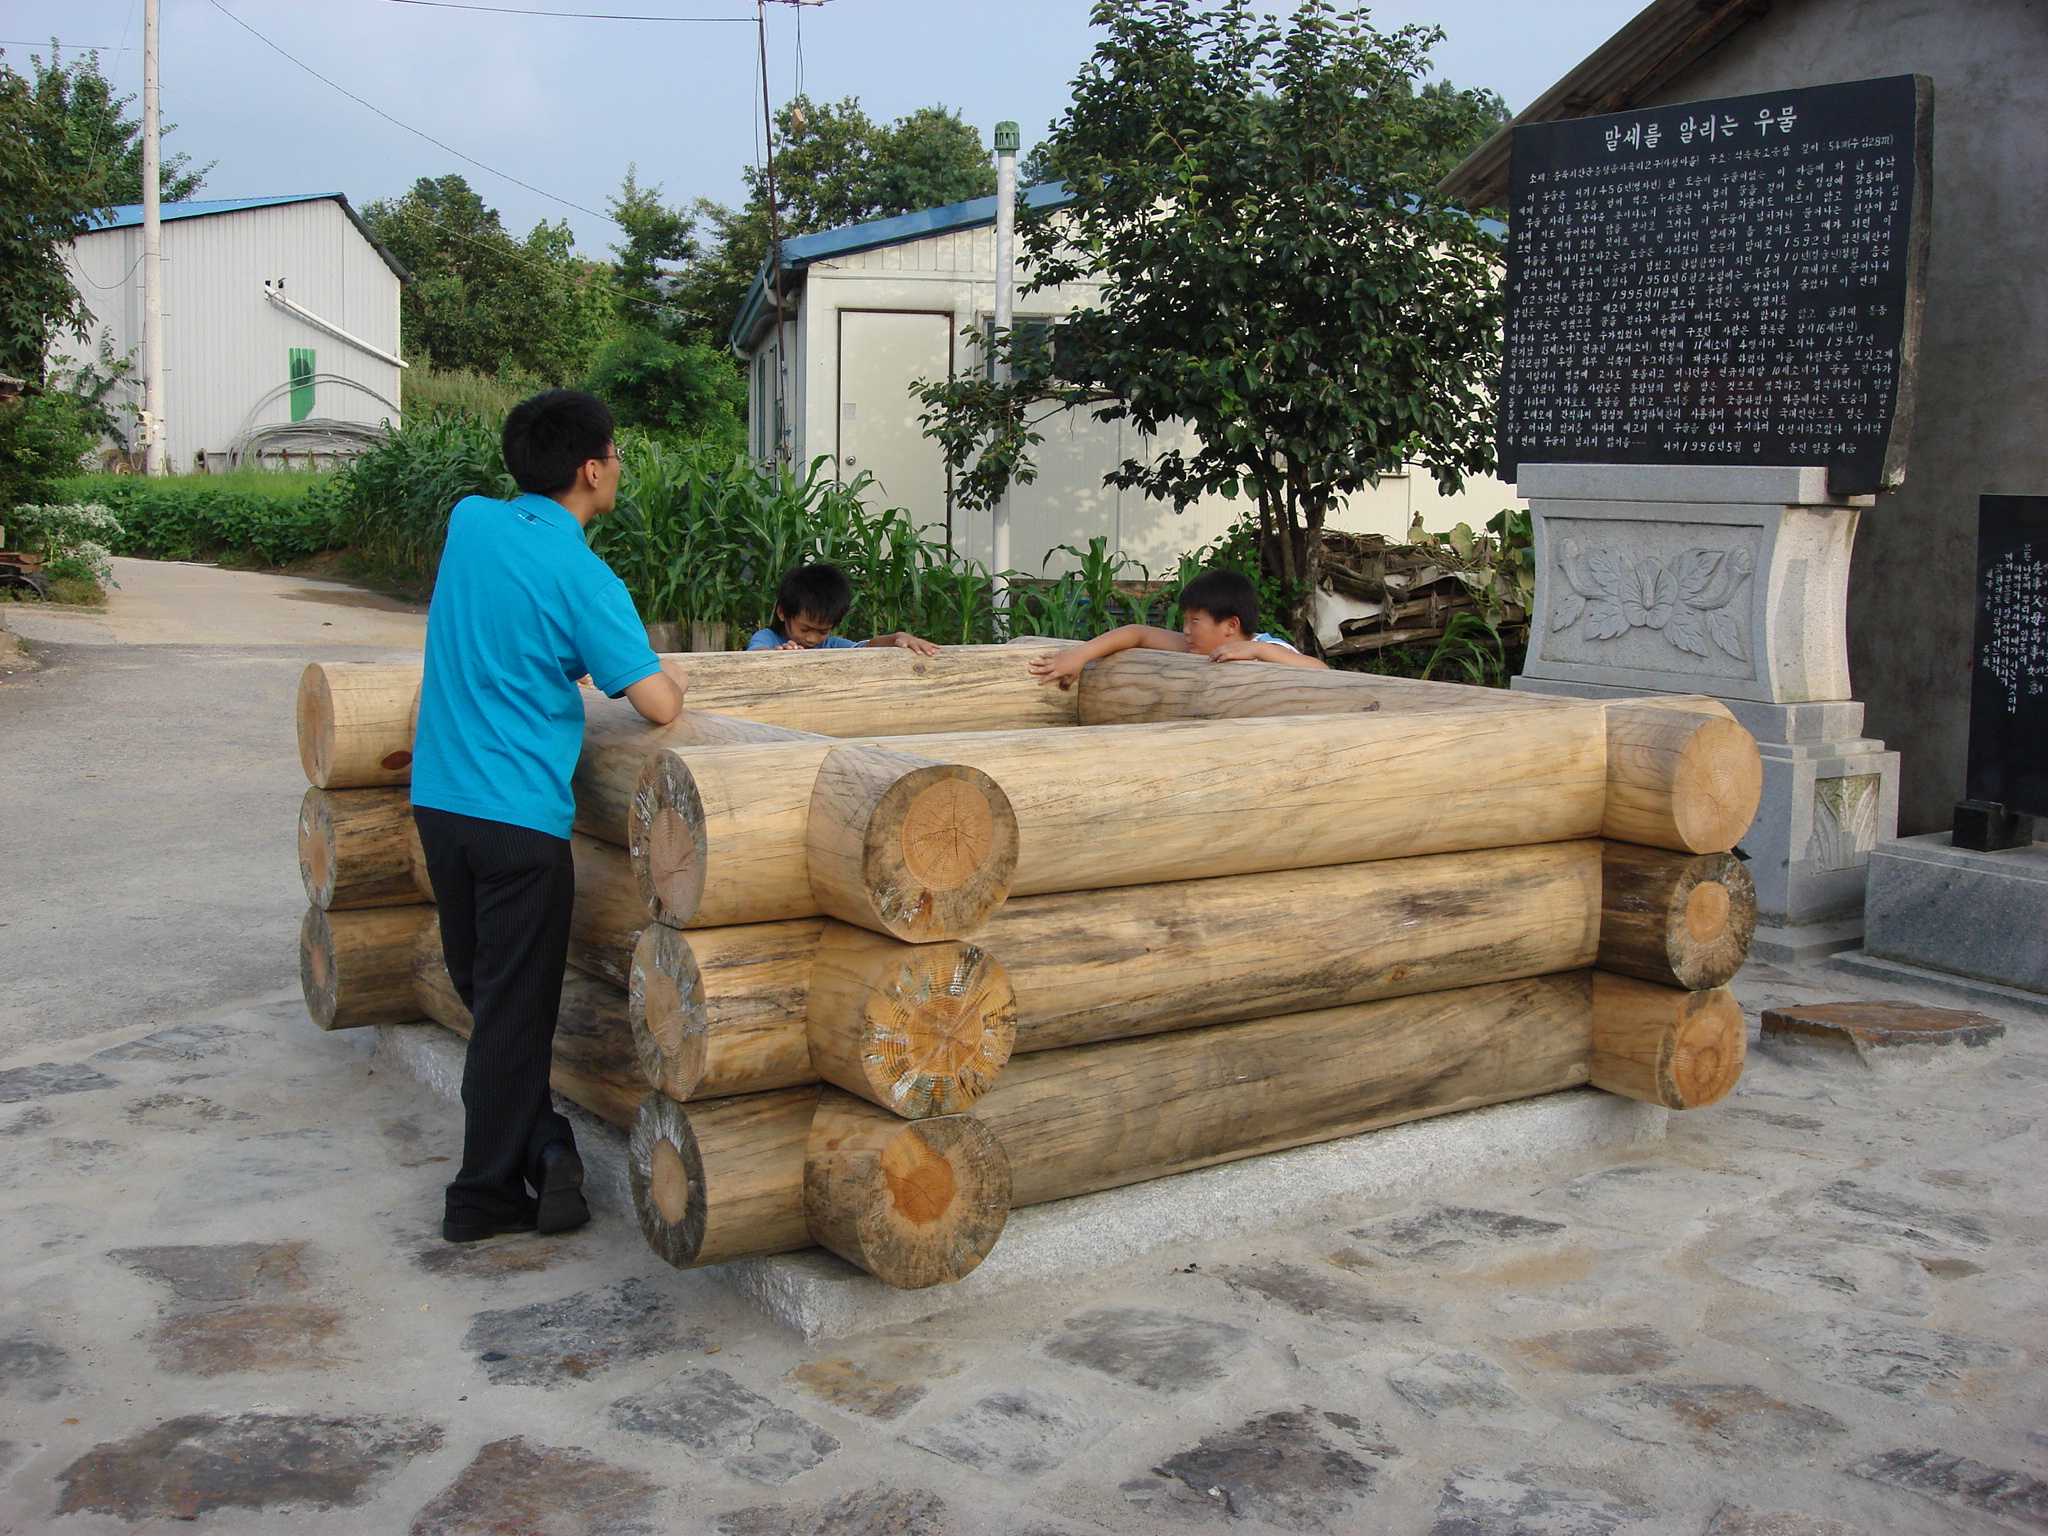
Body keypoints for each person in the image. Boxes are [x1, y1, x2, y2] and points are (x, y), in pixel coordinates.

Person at [409, 390, 686, 1244]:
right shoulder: (585, 578)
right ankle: (484, 1197)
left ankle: (549, 1148)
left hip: (441, 804)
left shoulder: (470, 523)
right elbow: (656, 702)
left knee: (487, 996)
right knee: (514, 1019)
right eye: (615, 453)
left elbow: (509, 623)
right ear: (590, 468)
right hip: (520, 825)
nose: (618, 465)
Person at [1029, 567, 1326, 688]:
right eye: (1185, 619)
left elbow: (1321, 673)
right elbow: (1137, 632)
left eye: (1195, 621)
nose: (1185, 630)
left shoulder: (1266, 649)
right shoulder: (1201, 647)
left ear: (1230, 625)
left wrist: (1257, 649)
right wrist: (1079, 656)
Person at [746, 562, 938, 655]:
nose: (811, 638)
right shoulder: (768, 638)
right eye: (805, 629)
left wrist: (898, 637)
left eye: (823, 631)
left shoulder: (832, 646)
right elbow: (756, 653)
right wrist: (774, 655)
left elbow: (866, 647)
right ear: (782, 613)